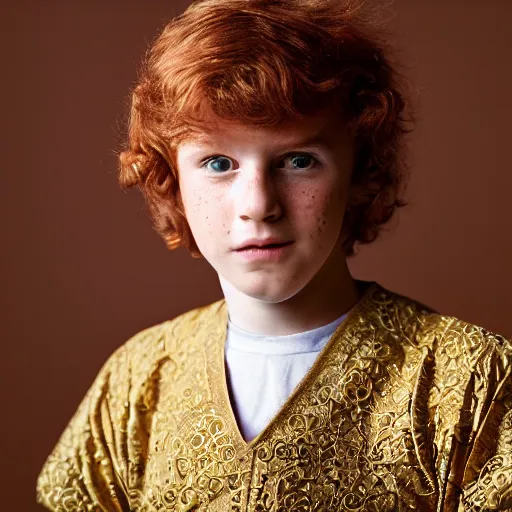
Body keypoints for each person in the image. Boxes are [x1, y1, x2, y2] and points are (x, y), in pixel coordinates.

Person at [36, 0, 512, 510]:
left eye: (298, 160)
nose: (259, 205)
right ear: (171, 179)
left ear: (359, 170)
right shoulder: (137, 381)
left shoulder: (470, 383)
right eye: (219, 163)